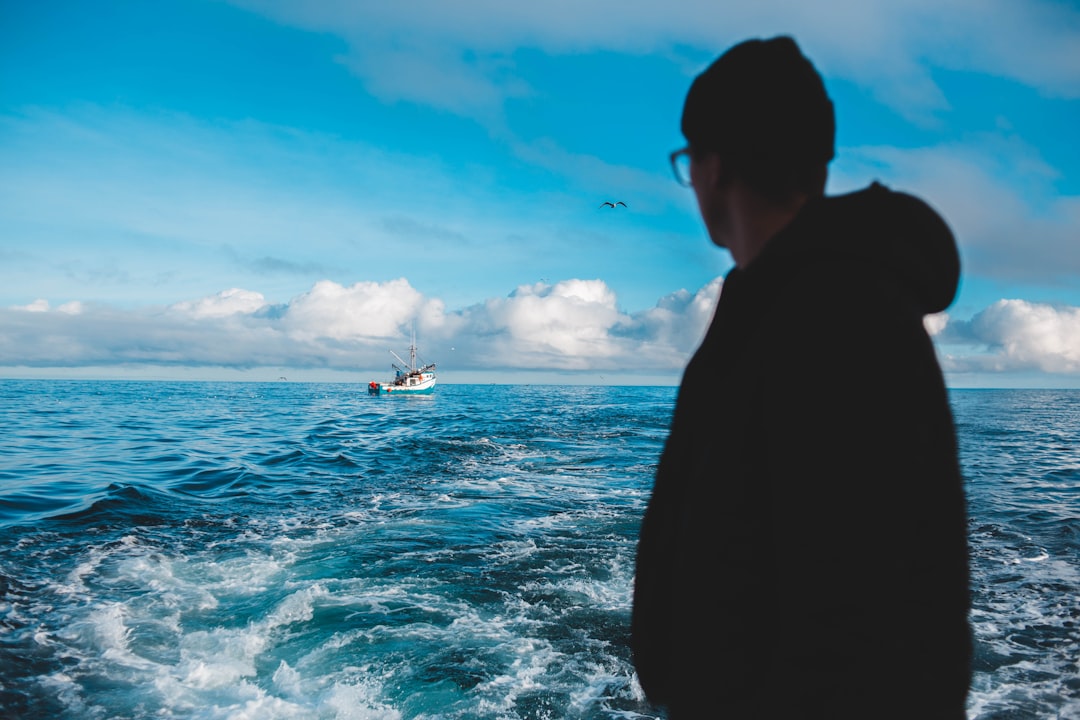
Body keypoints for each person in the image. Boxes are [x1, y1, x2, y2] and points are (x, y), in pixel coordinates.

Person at [630, 36, 972, 719]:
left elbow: (865, 619)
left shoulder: (833, 318)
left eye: (687, 162)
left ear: (714, 166)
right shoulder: (782, 301)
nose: (691, 181)